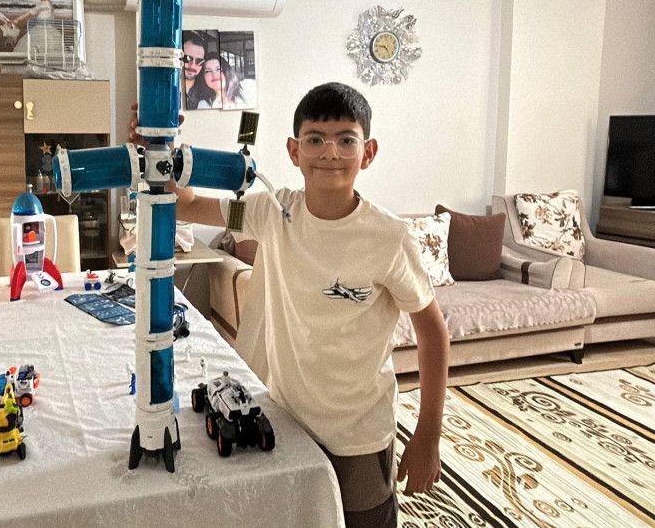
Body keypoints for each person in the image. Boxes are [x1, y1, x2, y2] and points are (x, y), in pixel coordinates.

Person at [129, 82, 449, 527]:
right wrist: (155, 148)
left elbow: (432, 331)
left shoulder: (390, 238)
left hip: (359, 433)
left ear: (368, 152)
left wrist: (428, 434)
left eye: (346, 140)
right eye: (315, 139)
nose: (330, 152)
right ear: (294, 151)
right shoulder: (270, 212)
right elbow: (191, 205)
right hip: (288, 418)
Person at [181, 32, 212, 109]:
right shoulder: (165, 89)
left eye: (199, 61)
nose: (192, 65)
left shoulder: (209, 93)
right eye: (187, 58)